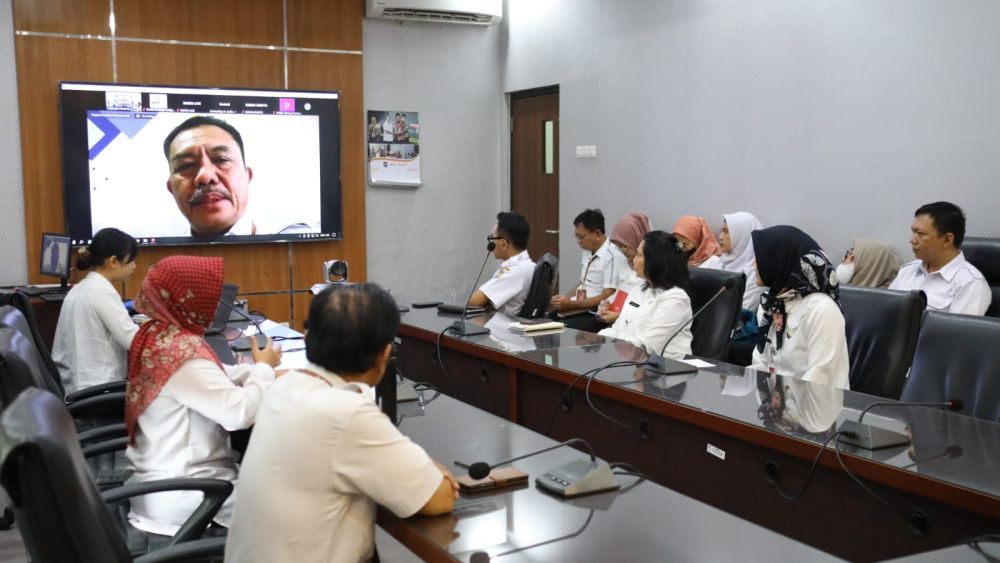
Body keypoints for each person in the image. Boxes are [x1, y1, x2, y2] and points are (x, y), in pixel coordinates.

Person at [225, 283, 457, 562]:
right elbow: (438, 498)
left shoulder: (284, 386)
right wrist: (432, 471)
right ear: (384, 355)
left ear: (308, 336)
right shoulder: (347, 414)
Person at [125, 255, 282, 536]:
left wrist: (261, 372)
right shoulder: (182, 355)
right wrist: (263, 370)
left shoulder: (159, 333)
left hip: (163, 482)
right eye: (208, 296)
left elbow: (215, 375)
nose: (212, 304)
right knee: (305, 512)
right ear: (187, 298)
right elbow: (239, 414)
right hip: (191, 494)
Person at [163, 116, 313, 238]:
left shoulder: (295, 237)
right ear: (171, 188)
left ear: (247, 177)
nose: (205, 177)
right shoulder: (161, 260)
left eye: (221, 160)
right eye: (186, 165)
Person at [748, 226, 849, 389]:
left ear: (780, 261)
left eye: (760, 257)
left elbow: (819, 382)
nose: (753, 263)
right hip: (776, 407)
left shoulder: (821, 311)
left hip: (814, 408)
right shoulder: (772, 303)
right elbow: (761, 364)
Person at [52, 228, 139, 393]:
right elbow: (132, 340)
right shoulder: (101, 291)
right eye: (132, 260)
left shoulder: (83, 287)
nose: (135, 266)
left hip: (76, 386)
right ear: (113, 261)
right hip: (95, 392)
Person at [598, 231, 694, 358]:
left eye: (639, 255)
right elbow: (617, 329)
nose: (633, 260)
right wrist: (596, 341)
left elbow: (647, 345)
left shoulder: (676, 299)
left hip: (661, 368)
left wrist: (612, 350)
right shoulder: (639, 289)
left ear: (655, 262)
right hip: (630, 358)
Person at [888, 202, 991, 315]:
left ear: (947, 239)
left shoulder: (970, 283)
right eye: (913, 232)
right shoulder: (907, 271)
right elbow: (885, 311)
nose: (912, 240)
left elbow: (959, 331)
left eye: (920, 233)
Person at [550, 209, 628, 327]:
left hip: (595, 310)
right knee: (547, 320)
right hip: (580, 306)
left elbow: (607, 295)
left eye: (581, 237)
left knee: (561, 329)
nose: (578, 242)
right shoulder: (588, 250)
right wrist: (566, 297)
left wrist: (572, 304)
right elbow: (583, 283)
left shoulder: (612, 256)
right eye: (576, 237)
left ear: (596, 234)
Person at [469, 212, 535, 316]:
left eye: (492, 237)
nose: (490, 242)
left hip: (504, 328)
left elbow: (473, 302)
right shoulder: (530, 266)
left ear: (503, 243)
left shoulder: (515, 271)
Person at [595, 211, 653, 326]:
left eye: (625, 246)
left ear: (637, 239)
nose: (622, 251)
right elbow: (618, 291)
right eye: (618, 246)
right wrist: (606, 304)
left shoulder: (648, 270)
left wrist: (618, 316)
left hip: (630, 324)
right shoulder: (623, 261)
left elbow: (646, 312)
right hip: (616, 321)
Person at [707, 211, 765, 311]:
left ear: (744, 235)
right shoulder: (716, 263)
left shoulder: (755, 274)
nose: (720, 237)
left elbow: (743, 311)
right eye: (722, 231)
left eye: (726, 232)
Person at [836, 239, 902, 289]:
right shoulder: (841, 296)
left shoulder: (887, 303)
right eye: (848, 254)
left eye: (852, 257)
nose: (843, 259)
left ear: (870, 267)